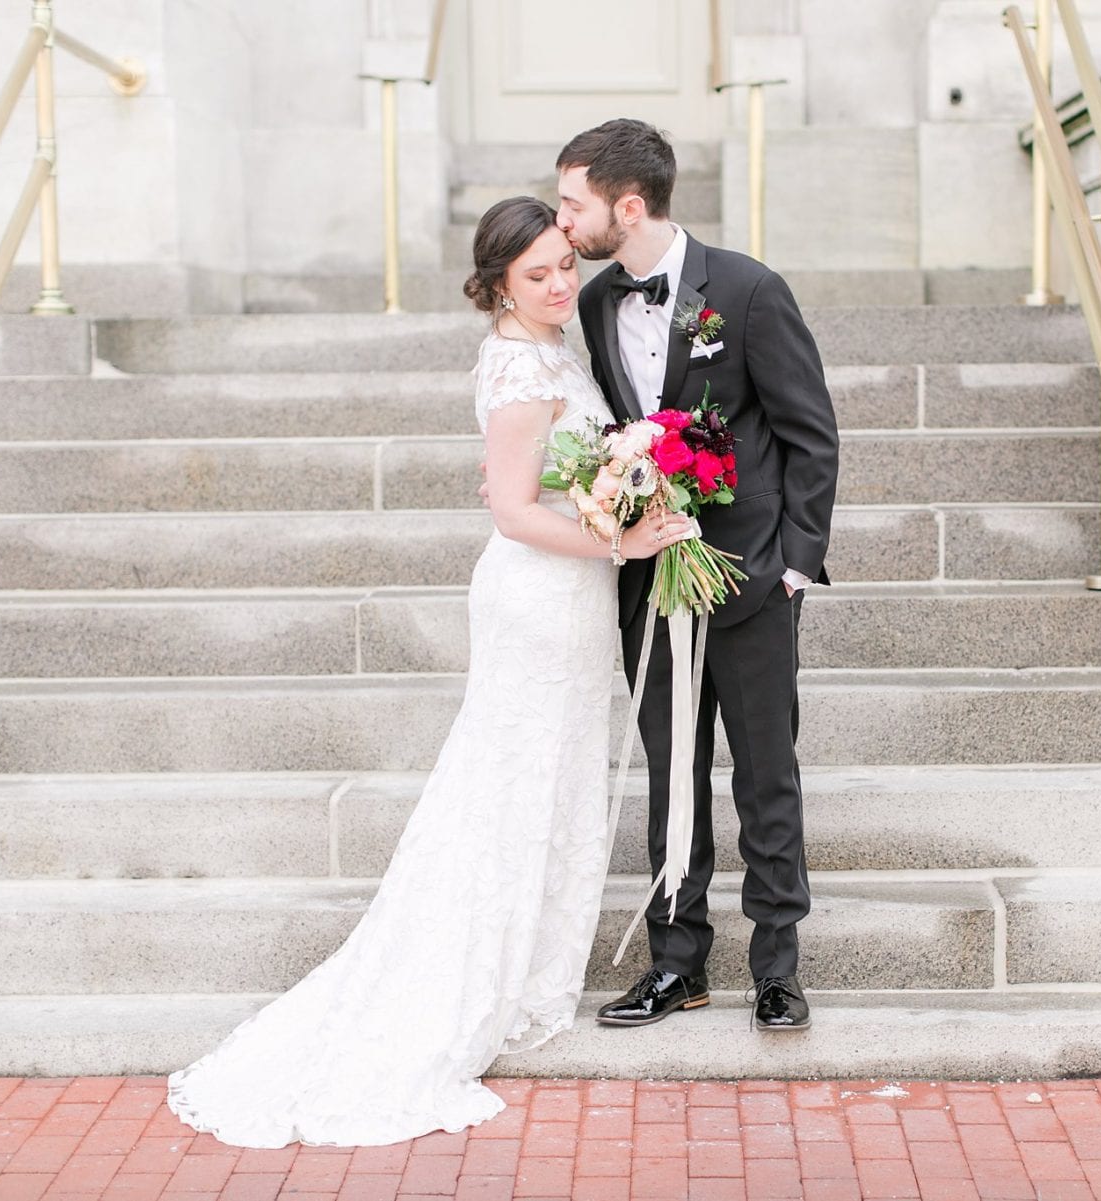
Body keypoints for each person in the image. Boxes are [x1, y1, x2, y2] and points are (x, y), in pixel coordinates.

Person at [163, 197, 693, 1147]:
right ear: (496, 285)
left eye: (564, 264)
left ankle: (527, 971)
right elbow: (514, 514)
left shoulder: (547, 347)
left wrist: (621, 484)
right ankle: (461, 984)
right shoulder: (522, 364)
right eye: (537, 275)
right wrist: (624, 535)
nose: (563, 283)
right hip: (538, 598)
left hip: (566, 599)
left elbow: (539, 479)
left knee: (549, 782)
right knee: (509, 786)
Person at [555, 119, 840, 1033]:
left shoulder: (749, 290)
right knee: (670, 776)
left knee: (766, 776)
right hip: (651, 585)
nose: (564, 224)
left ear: (626, 206)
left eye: (574, 204)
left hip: (752, 581)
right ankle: (678, 963)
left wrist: (795, 565)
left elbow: (809, 433)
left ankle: (777, 967)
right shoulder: (597, 305)